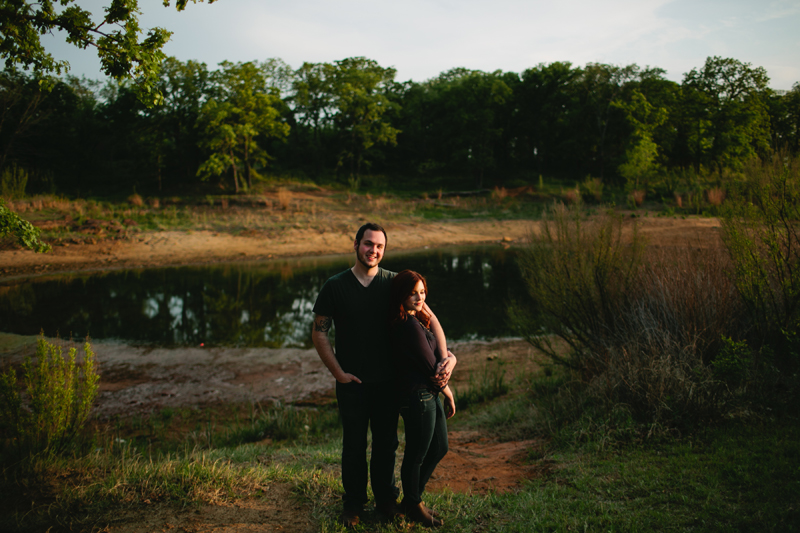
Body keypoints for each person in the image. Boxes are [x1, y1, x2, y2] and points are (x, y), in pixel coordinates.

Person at [311, 223, 456, 528]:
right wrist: (338, 372)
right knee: (353, 445)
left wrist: (446, 362)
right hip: (352, 384)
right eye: (368, 244)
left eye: (379, 246)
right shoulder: (335, 286)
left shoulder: (394, 283)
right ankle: (352, 505)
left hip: (390, 384)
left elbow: (432, 320)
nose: (373, 250)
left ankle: (386, 502)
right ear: (356, 245)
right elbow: (319, 333)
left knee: (386, 444)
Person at [389, 270, 455, 528]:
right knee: (416, 454)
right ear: (400, 295)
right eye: (413, 292)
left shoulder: (415, 319)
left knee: (440, 447)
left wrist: (451, 358)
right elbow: (433, 368)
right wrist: (449, 393)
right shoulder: (406, 325)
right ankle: (414, 503)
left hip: (428, 394)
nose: (419, 297)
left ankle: (412, 500)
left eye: (422, 292)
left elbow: (441, 353)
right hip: (417, 396)